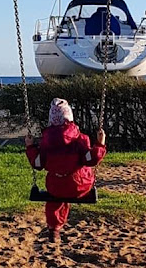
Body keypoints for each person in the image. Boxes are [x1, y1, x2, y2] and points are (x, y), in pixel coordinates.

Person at [25, 98, 106, 242]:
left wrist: (30, 147)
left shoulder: (46, 142)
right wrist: (100, 144)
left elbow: (37, 164)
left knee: (55, 198)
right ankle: (55, 229)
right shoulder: (80, 139)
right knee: (76, 177)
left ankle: (54, 229)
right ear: (69, 117)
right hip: (80, 186)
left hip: (55, 187)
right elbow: (91, 159)